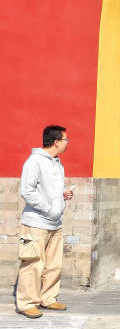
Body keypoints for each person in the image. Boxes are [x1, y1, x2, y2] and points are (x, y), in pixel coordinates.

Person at [16, 125, 74, 319]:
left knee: (53, 264)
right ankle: (27, 303)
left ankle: (48, 298)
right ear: (56, 141)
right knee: (33, 264)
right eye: (66, 140)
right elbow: (27, 191)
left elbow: (49, 190)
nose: (67, 144)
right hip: (36, 222)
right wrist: (49, 208)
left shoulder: (57, 162)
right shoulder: (34, 162)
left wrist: (63, 194)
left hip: (55, 223)